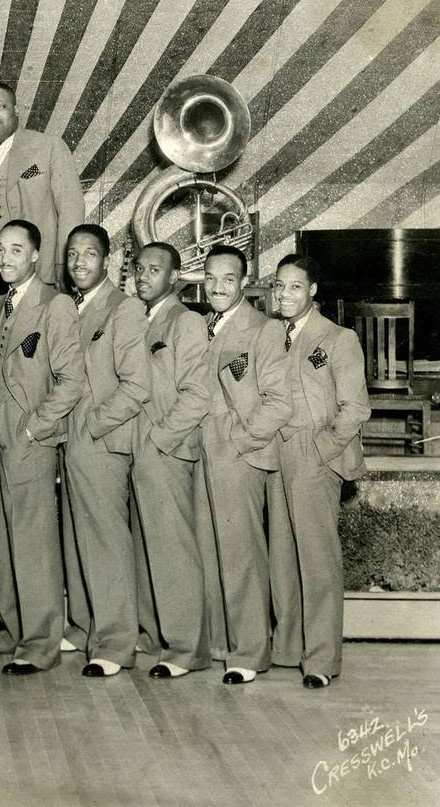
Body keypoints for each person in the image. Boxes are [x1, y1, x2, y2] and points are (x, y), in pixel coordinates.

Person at [0, 220, 84, 676]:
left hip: (30, 441)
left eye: (16, 250)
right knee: (2, 539)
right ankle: (11, 628)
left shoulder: (54, 305)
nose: (5, 258)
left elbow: (71, 381)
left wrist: (34, 430)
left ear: (36, 255)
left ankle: (40, 642)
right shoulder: (0, 307)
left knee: (33, 543)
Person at [273, 253, 370, 689]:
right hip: (277, 456)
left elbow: (356, 408)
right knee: (283, 559)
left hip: (315, 456)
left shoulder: (337, 338)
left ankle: (321, 661)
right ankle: (289, 649)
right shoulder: (272, 336)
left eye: (295, 286)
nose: (285, 294)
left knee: (317, 563)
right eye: (279, 286)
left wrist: (322, 449)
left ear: (313, 291)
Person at [198, 245, 291, 686]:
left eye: (228, 279)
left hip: (238, 455)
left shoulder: (264, 330)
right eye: (211, 278)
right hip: (199, 453)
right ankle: (222, 643)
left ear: (245, 282)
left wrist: (240, 440)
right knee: (210, 551)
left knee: (242, 556)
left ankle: (250, 652)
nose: (218, 287)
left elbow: (280, 401)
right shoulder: (200, 326)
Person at [62, 224, 150, 678]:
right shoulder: (66, 308)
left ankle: (115, 643)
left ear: (107, 261)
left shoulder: (124, 309)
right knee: (75, 538)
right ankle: (82, 628)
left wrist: (91, 427)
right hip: (66, 441)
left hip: (100, 441)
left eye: (90, 254)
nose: (79, 262)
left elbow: (137, 385)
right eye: (73, 254)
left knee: (106, 542)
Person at [128, 242, 210, 679]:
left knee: (173, 550)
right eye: (138, 268)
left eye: (154, 269)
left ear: (174, 277)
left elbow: (197, 395)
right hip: (134, 450)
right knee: (143, 547)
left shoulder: (186, 322)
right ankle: (152, 635)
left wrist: (158, 442)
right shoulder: (135, 319)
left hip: (165, 450)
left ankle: (186, 648)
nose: (143, 276)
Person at [0, 82, 84, 296]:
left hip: (37, 269)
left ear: (16, 110)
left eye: (0, 107)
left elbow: (70, 209)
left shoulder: (49, 147)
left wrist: (63, 263)